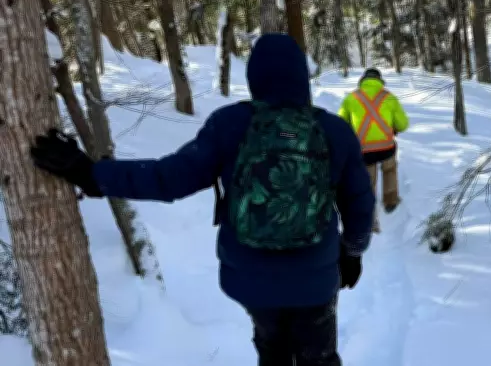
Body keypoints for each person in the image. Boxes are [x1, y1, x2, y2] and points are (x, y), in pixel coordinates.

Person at [29, 34, 376, 366]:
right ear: (302, 76)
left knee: (272, 351)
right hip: (315, 277)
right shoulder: (334, 131)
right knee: (319, 357)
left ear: (255, 76)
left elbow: (169, 179)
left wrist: (92, 174)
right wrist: (353, 252)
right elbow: (359, 203)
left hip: (249, 278)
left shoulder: (230, 124)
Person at [338, 68, 408, 233]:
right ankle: (390, 201)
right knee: (389, 169)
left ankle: (370, 219)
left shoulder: (351, 98)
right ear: (379, 80)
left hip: (363, 151)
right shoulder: (389, 97)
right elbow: (403, 124)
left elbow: (340, 124)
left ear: (362, 81)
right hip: (386, 148)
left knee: (367, 183)